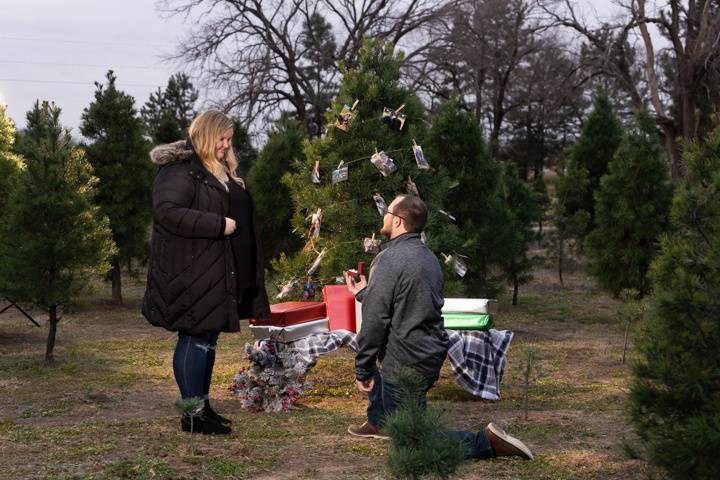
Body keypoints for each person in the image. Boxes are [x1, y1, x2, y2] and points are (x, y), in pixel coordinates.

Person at [344, 194, 533, 460]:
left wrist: (361, 369)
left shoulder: (389, 260)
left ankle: (487, 442)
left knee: (414, 439)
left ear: (398, 221)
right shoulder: (428, 257)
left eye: (387, 211)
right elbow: (403, 304)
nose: (383, 215)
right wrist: (366, 293)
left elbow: (375, 322)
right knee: (383, 351)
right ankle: (379, 421)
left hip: (406, 363)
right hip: (427, 352)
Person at [142, 110, 270, 435]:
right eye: (221, 139)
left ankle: (201, 406)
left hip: (220, 270)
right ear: (205, 135)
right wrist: (218, 225)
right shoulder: (181, 169)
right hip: (193, 270)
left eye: (230, 140)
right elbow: (168, 213)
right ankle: (192, 414)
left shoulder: (220, 169)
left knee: (208, 340)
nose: (226, 146)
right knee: (195, 337)